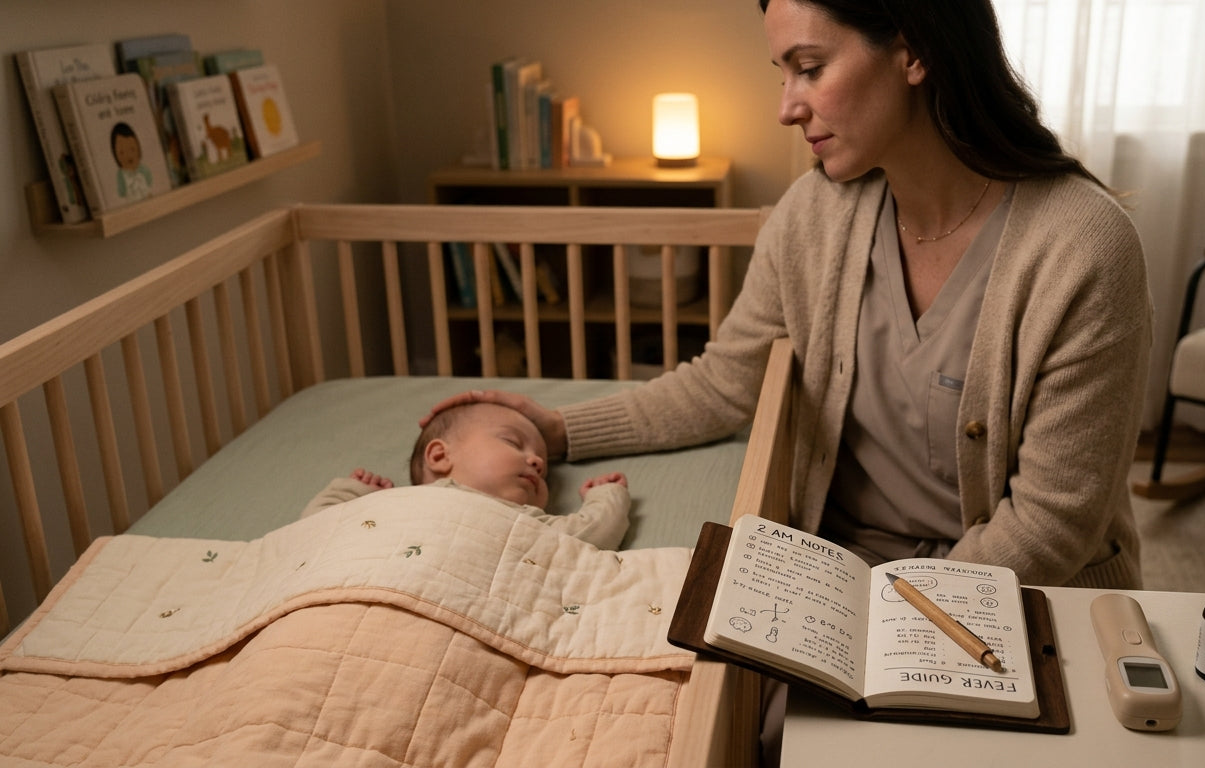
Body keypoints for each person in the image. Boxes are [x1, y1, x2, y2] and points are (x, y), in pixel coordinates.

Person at [427, 0, 1150, 590]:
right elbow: (722, 384)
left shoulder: (1083, 246)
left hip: (1023, 592)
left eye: (809, 68)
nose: (786, 108)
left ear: (912, 51)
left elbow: (1052, 524)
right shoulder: (815, 215)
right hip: (846, 570)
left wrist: (888, 615)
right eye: (782, 74)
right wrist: (560, 430)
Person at [305, 402, 631, 550]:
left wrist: (607, 497)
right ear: (440, 456)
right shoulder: (391, 505)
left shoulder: (526, 521)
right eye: (512, 442)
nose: (535, 461)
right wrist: (353, 493)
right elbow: (314, 532)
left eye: (542, 466)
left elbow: (590, 537)